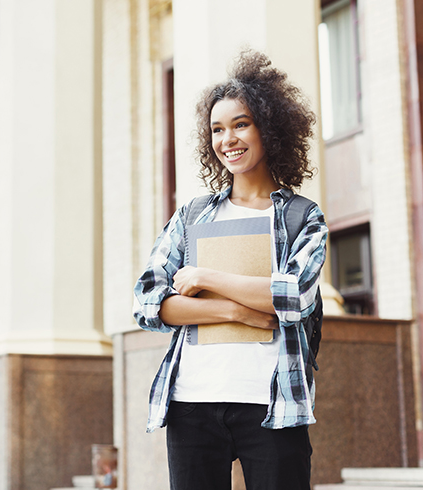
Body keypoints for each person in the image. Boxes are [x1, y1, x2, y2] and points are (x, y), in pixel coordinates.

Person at [133, 50, 327, 490]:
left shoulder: (302, 217)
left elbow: (293, 297)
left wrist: (205, 279)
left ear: (269, 128)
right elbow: (148, 302)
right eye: (217, 129)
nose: (228, 139)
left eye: (241, 124)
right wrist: (236, 312)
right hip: (191, 405)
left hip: (273, 404)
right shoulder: (192, 217)